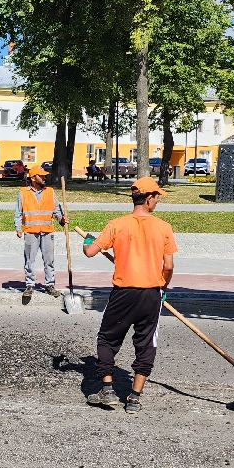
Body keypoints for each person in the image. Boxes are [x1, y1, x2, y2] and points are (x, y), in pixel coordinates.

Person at [82, 176, 177, 414]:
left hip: (123, 294)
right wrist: (162, 288)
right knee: (146, 344)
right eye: (156, 197)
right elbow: (168, 266)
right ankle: (134, 398)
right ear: (148, 198)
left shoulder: (117, 225)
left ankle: (108, 390)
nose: (157, 201)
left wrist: (87, 239)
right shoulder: (163, 228)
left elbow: (90, 252)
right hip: (150, 295)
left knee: (107, 339)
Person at [14, 164, 66, 304]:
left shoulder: (50, 191)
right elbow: (18, 213)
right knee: (29, 260)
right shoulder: (23, 192)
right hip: (31, 232)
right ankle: (29, 285)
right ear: (33, 178)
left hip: (47, 232)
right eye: (41, 175)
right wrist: (18, 228)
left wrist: (61, 219)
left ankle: (49, 285)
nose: (44, 177)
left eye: (44, 175)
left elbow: (56, 211)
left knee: (49, 260)